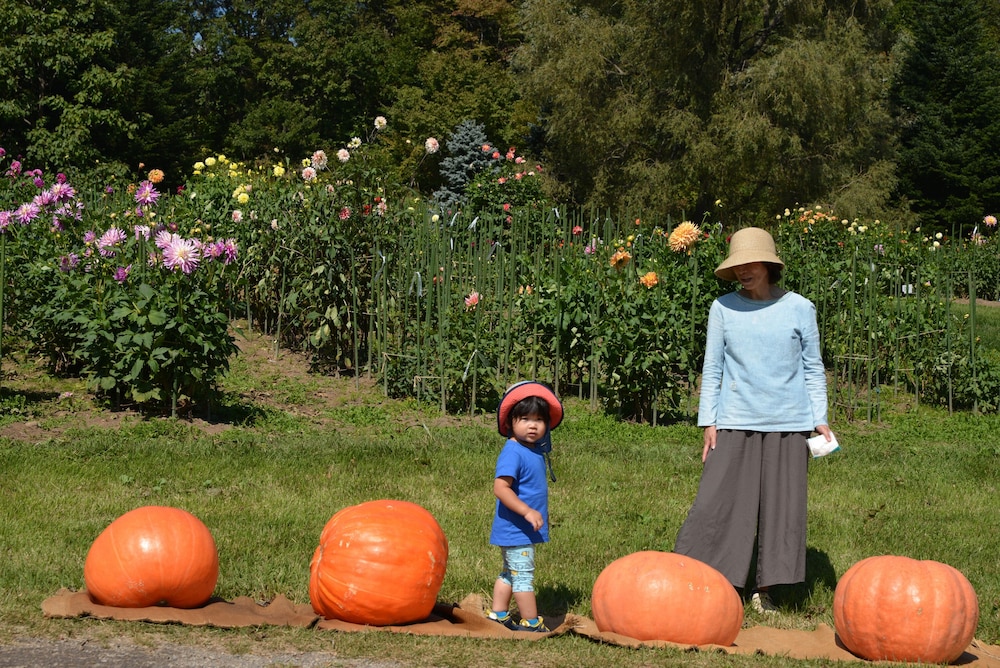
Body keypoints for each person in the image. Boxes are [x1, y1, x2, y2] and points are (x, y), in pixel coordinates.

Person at [673, 227, 832, 615]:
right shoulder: (723, 307)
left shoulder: (800, 308)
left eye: (750, 264)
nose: (743, 271)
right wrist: (708, 423)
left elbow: (813, 368)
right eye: (737, 265)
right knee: (718, 503)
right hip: (735, 419)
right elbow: (712, 369)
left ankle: (766, 590)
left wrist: (820, 420)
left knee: (781, 509)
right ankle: (709, 580)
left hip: (788, 423)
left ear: (769, 265)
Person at [487, 381, 563, 633]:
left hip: (519, 529)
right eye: (525, 419)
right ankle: (530, 622)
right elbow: (501, 488)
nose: (533, 425)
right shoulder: (514, 452)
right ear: (510, 422)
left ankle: (498, 614)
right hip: (516, 528)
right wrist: (527, 511)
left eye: (539, 420)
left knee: (510, 573)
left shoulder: (531, 451)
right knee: (523, 576)